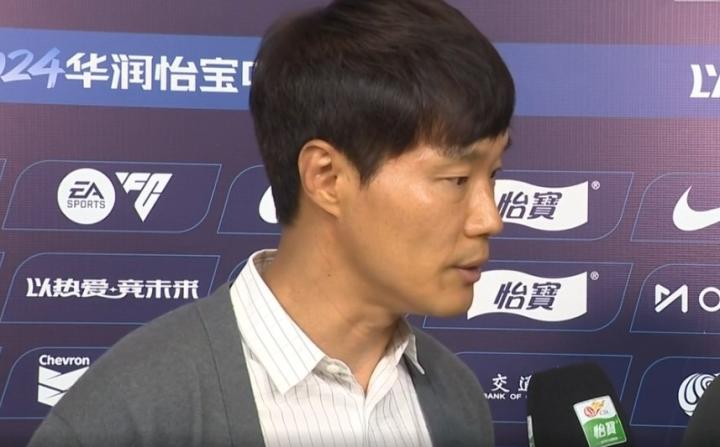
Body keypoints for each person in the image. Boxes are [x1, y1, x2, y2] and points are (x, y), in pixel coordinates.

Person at [28, 0, 514, 445]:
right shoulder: (135, 410)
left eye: (492, 174)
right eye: (455, 179)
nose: (489, 218)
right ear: (327, 178)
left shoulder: (456, 398)